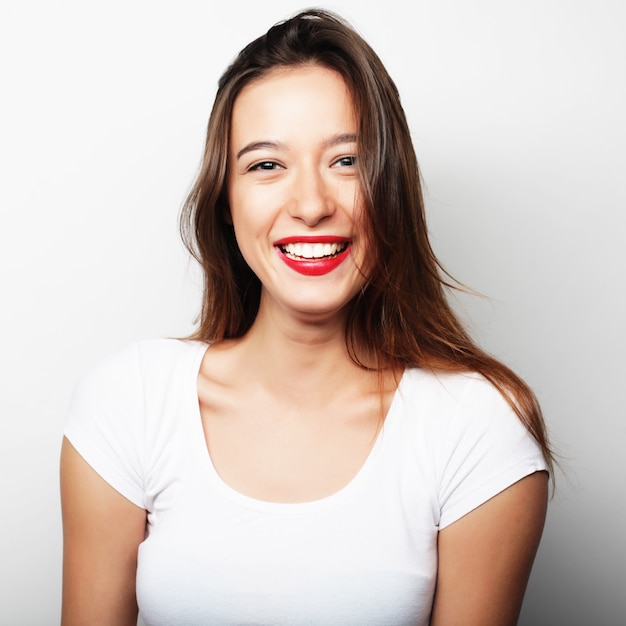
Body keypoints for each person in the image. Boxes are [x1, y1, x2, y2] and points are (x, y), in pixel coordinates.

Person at [60, 8, 553, 626]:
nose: (312, 204)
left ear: (391, 186)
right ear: (225, 201)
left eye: (346, 160)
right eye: (266, 165)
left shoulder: (477, 427)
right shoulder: (129, 402)